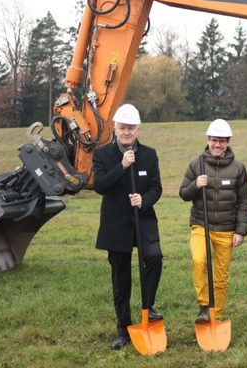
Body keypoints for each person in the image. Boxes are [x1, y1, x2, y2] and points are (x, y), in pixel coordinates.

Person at [92, 104, 163, 350]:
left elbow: (156, 188)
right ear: (115, 128)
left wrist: (144, 201)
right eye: (122, 127)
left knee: (154, 258)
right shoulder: (102, 155)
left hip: (143, 221)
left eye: (131, 127)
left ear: (137, 129)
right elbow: (99, 185)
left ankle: (149, 306)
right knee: (121, 279)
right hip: (116, 224)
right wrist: (121, 166)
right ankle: (123, 329)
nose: (126, 132)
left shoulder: (150, 154)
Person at [179, 119, 247, 323]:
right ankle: (203, 306)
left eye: (221, 141)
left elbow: (244, 199)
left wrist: (240, 231)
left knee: (220, 276)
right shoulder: (196, 164)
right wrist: (195, 185)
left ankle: (215, 316)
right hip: (201, 224)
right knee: (199, 260)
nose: (217, 145)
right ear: (208, 141)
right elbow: (183, 194)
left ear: (227, 142)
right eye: (213, 140)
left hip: (227, 229)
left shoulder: (238, 168)